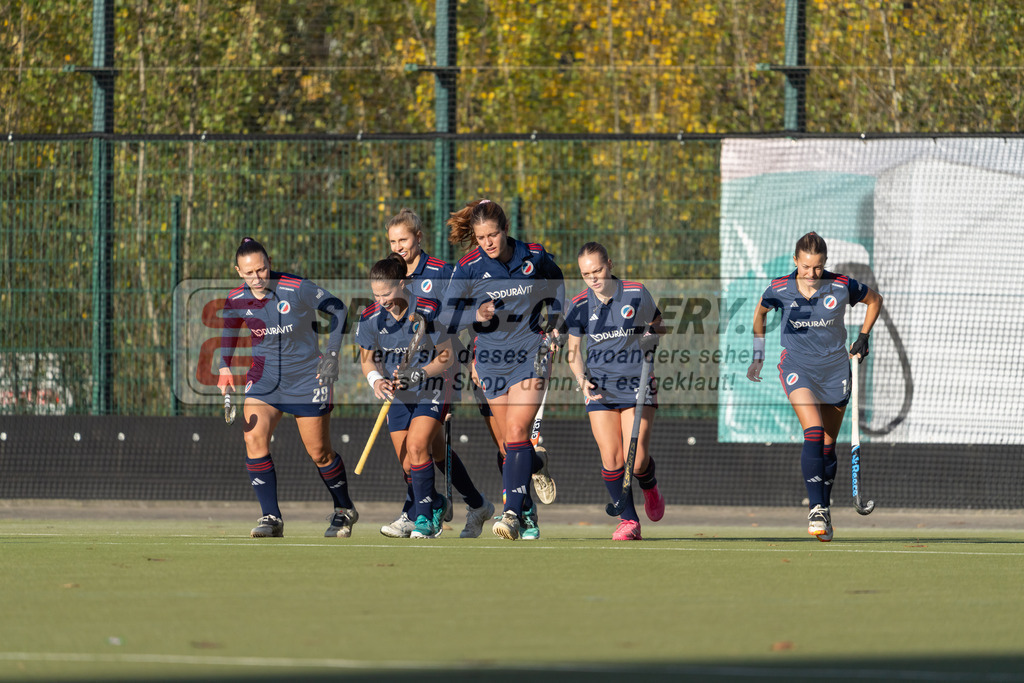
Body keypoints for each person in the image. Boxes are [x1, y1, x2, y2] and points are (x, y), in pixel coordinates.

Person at [746, 232, 883, 542]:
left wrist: (864, 336)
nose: (811, 275)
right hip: (798, 369)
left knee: (827, 448)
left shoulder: (842, 285)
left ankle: (825, 508)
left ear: (825, 264)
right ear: (796, 262)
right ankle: (817, 505)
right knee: (814, 431)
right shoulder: (779, 288)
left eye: (818, 267)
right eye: (806, 267)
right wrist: (758, 354)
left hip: (836, 371)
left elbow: (875, 300)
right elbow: (760, 313)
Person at [440, 198, 564, 541]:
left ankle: (512, 514)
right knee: (511, 443)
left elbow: (557, 285)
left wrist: (555, 322)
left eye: (493, 235)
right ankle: (536, 466)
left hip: (530, 351)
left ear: (505, 230)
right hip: (490, 360)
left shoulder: (533, 255)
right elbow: (446, 318)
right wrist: (474, 316)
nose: (488, 243)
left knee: (517, 430)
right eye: (481, 238)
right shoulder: (468, 267)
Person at [218, 237, 357, 539]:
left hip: (308, 377)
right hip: (265, 379)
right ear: (238, 271)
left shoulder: (297, 288)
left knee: (319, 452)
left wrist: (332, 353)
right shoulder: (236, 298)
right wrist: (224, 366)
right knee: (253, 436)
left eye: (262, 269)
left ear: (269, 263)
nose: (257, 278)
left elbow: (339, 310)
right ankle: (271, 518)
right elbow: (230, 330)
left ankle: (344, 508)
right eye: (249, 273)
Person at [376, 209, 495, 538]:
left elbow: (468, 314)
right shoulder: (391, 275)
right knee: (427, 452)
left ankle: (416, 512)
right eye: (392, 241)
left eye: (404, 239)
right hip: (403, 376)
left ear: (418, 237)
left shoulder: (443, 273)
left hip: (439, 369)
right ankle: (472, 502)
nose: (398, 246)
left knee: (419, 446)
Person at [564, 242, 666, 541]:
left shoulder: (635, 292)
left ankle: (649, 485)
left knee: (636, 461)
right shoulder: (580, 304)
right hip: (600, 387)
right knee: (611, 458)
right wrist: (583, 380)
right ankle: (629, 521)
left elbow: (659, 324)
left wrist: (651, 334)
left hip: (637, 382)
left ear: (610, 264)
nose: (593, 278)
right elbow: (573, 351)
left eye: (598, 270)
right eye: (586, 274)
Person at [357, 253, 459, 538]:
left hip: (432, 386)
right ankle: (436, 502)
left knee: (417, 447)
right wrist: (376, 380)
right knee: (407, 463)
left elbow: (447, 356)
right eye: (376, 294)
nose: (381, 300)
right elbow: (367, 360)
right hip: (399, 395)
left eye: (386, 293)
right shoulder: (370, 316)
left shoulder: (428, 309)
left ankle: (425, 519)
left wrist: (421, 373)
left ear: (402, 284)